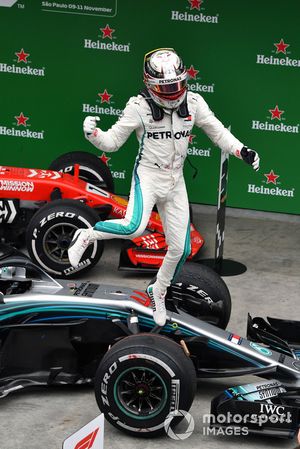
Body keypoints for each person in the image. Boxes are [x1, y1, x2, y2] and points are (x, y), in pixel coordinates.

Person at [68, 47, 260, 326]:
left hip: (176, 179)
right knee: (135, 227)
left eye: (178, 84)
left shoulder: (193, 102)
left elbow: (218, 132)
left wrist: (243, 150)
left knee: (180, 249)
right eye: (166, 86)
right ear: (151, 85)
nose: (173, 91)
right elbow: (111, 143)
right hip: (147, 175)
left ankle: (158, 290)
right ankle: (86, 235)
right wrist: (93, 135)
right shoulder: (139, 107)